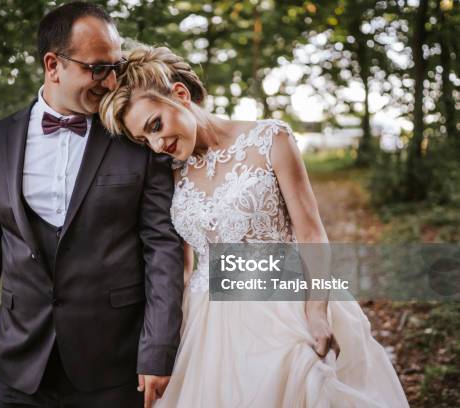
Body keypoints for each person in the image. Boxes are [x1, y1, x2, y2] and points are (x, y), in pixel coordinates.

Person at [100, 45, 410, 407]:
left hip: (286, 303)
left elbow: (312, 234)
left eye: (156, 125)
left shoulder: (270, 139)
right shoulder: (166, 174)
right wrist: (168, 339)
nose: (157, 144)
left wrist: (316, 313)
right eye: (144, 139)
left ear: (180, 95)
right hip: (208, 327)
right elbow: (181, 266)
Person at [0, 5, 184, 408]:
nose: (110, 81)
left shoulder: (138, 140)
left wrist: (158, 347)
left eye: (115, 66)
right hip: (22, 364)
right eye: (97, 68)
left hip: (114, 363)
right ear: (53, 65)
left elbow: (162, 247)